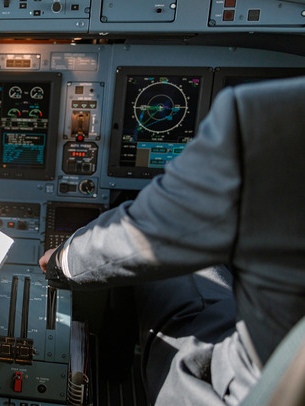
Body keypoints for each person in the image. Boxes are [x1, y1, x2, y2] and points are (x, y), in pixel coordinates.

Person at [40, 75, 305, 405]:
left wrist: (60, 262)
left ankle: (115, 367)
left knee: (169, 266)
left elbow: (146, 235)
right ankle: (114, 368)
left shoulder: (272, 115)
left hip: (243, 389)